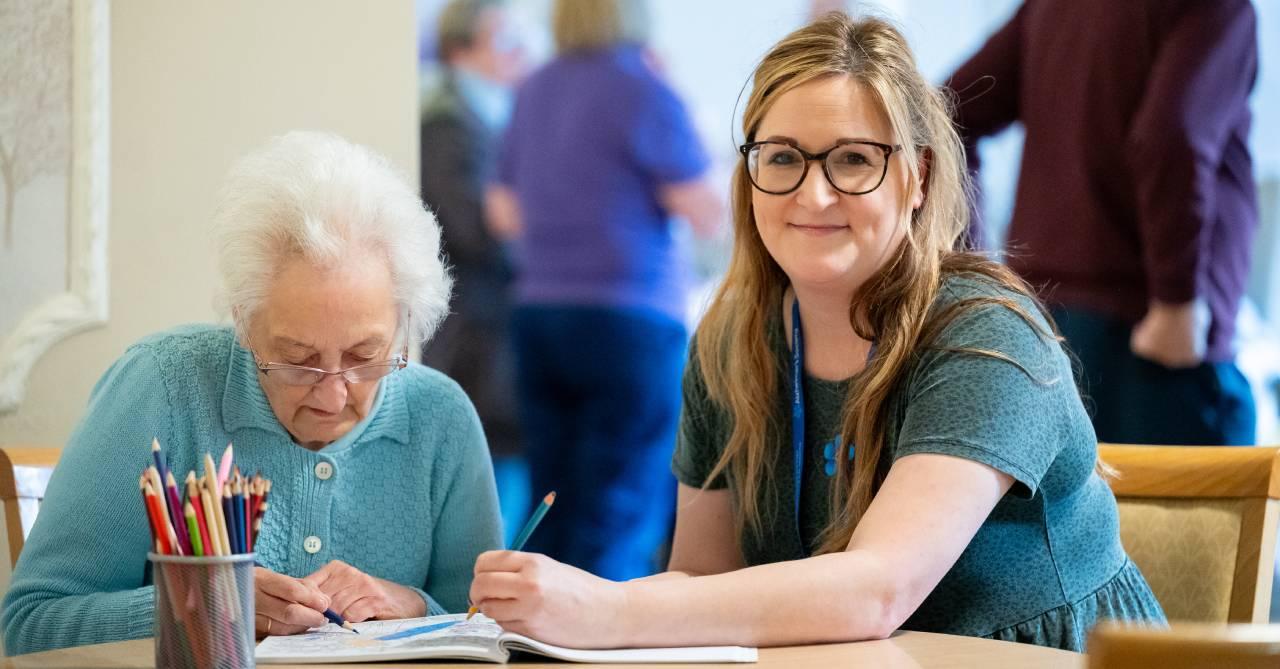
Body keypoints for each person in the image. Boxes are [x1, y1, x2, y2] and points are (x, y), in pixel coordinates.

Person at [468, 13, 1165, 652]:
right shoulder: (730, 342)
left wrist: (608, 610)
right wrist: (546, 614)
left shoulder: (984, 336)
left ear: (917, 175)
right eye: (782, 158)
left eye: (854, 159)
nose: (814, 194)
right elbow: (698, 582)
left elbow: (876, 589)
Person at [1, 132, 503, 655]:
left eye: (364, 357)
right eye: (298, 360)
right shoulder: (162, 387)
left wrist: (413, 603)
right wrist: (201, 606)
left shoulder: (440, 416)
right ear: (244, 322)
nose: (332, 397)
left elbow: (486, 626)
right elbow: (32, 623)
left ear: (405, 322)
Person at [947, 0, 1260, 445]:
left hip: (1044, 330)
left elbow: (947, 114)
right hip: (1154, 342)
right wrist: (1176, 301)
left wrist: (975, 284)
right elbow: (1169, 137)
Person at [487, 0, 722, 580]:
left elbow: (502, 211)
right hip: (629, 316)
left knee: (551, 502)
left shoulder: (533, 89)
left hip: (540, 313)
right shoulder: (642, 87)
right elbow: (705, 210)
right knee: (616, 507)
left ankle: (538, 638)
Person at [419, 0, 530, 540]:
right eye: (505, 42)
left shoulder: (484, 116)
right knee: (484, 463)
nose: (519, 57)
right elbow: (469, 227)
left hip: (487, 325)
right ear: (464, 48)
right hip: (470, 332)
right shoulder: (445, 120)